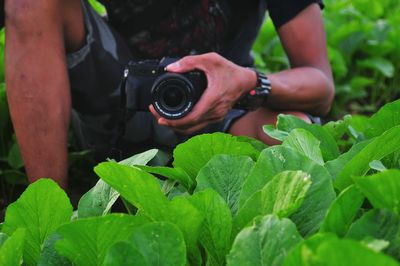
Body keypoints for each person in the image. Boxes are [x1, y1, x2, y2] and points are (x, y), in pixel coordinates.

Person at [3, 0, 334, 189]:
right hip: (120, 97)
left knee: (291, 137)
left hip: (223, 109)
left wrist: (246, 81)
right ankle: (48, 207)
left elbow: (320, 84)